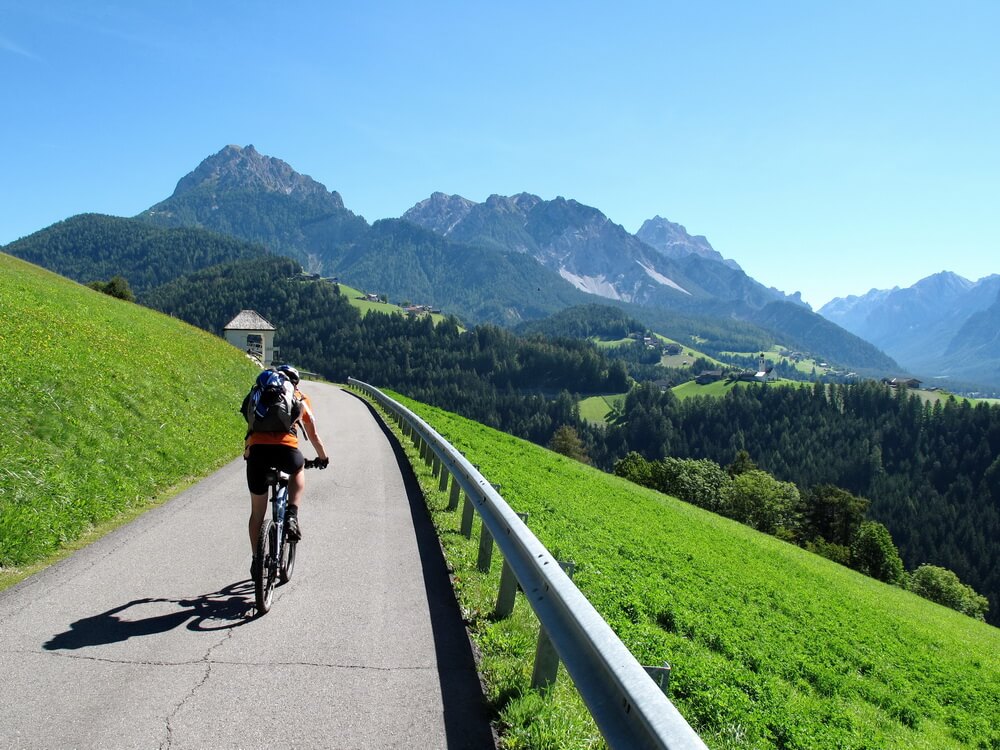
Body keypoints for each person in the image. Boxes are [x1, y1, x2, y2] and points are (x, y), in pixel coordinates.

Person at [244, 365, 329, 563]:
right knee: (297, 468)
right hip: (286, 451)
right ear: (294, 383)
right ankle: (291, 514)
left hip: (257, 454)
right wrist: (323, 458)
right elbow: (314, 435)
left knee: (257, 514)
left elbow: (250, 427)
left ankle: (257, 559)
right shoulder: (298, 397)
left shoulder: (257, 395)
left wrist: (248, 452)